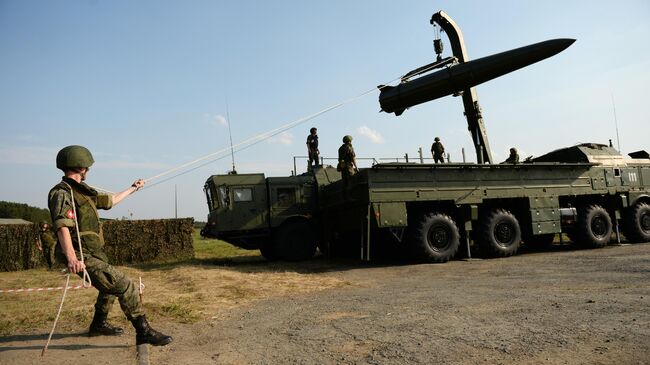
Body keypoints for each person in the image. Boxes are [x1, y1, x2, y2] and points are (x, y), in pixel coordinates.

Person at [48, 145, 172, 346]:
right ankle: (144, 331)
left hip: (93, 252)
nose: (89, 169)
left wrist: (134, 187)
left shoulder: (83, 193)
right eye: (87, 166)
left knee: (108, 287)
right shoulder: (62, 193)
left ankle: (98, 325)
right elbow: (62, 225)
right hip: (81, 254)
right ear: (81, 167)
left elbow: (111, 201)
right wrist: (72, 258)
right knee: (125, 285)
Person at [337, 135, 358, 199]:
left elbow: (339, 158)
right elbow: (353, 158)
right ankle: (351, 197)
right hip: (349, 166)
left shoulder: (340, 148)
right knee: (351, 180)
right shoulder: (349, 148)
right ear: (349, 141)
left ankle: (344, 198)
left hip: (342, 167)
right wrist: (356, 167)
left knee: (345, 183)